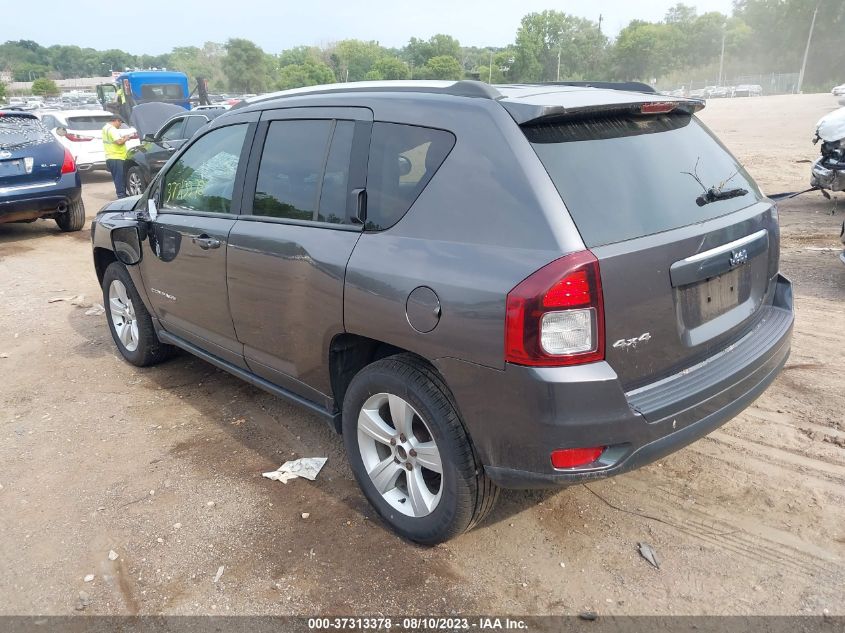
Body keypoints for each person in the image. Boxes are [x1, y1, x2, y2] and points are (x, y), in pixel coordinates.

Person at [102, 114, 130, 198]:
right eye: (120, 122)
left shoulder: (105, 128)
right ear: (116, 120)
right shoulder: (112, 129)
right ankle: (121, 196)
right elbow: (119, 142)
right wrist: (126, 138)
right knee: (120, 178)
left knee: (117, 178)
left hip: (110, 157)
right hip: (117, 157)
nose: (120, 125)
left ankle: (122, 194)